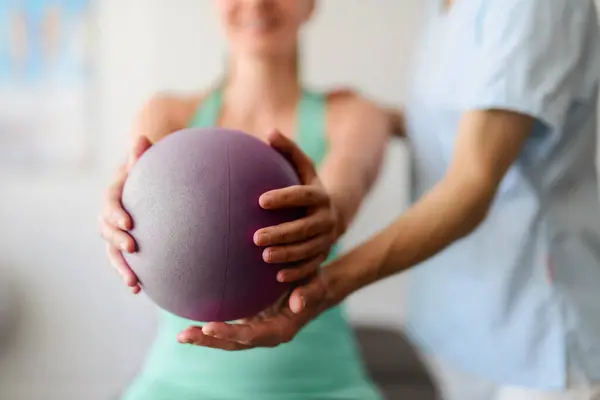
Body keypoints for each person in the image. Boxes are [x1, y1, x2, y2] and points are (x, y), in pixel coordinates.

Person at [191, 0, 600, 399]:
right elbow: (457, 121)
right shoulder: (443, 8)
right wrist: (372, 118)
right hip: (463, 327)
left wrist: (326, 285)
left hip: (539, 334)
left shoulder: (530, 7)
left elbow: (472, 181)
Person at [98, 0, 394, 399]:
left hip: (325, 385)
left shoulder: (354, 115)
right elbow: (130, 182)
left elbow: (345, 186)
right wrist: (117, 207)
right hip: (176, 386)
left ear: (311, 5)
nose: (257, 3)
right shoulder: (168, 113)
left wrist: (328, 211)